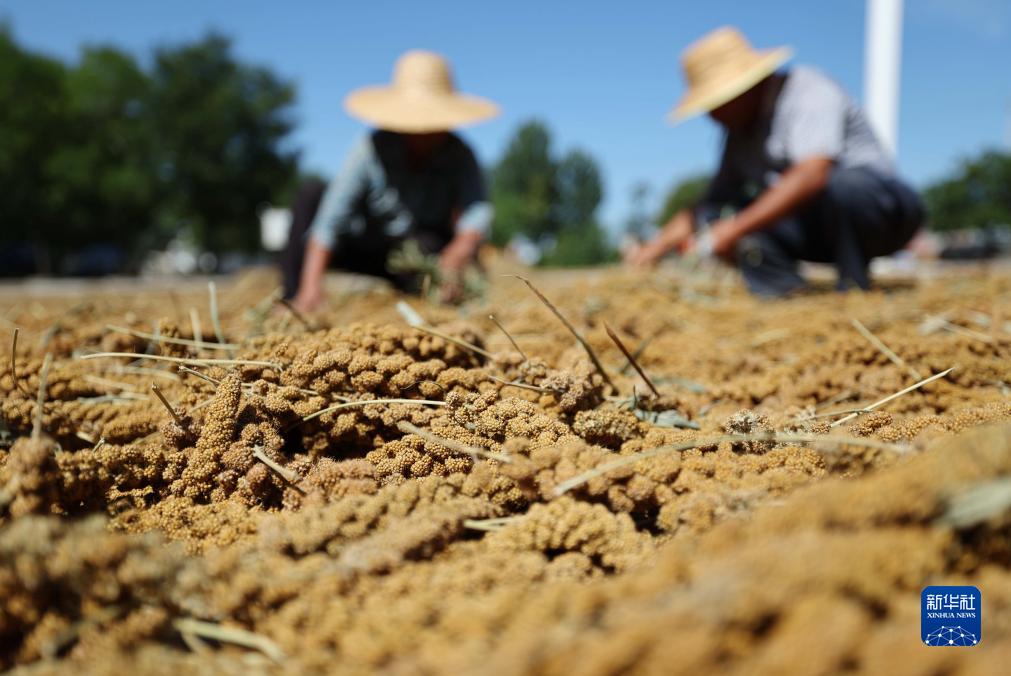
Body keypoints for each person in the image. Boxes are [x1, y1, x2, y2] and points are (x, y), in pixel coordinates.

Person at [627, 27, 924, 296]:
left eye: (715, 103)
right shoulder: (739, 137)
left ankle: (854, 288)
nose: (711, 116)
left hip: (884, 213)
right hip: (817, 229)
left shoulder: (808, 92)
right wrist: (654, 248)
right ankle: (788, 292)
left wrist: (734, 228)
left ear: (743, 87)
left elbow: (813, 174)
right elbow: (707, 207)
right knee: (738, 222)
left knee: (842, 185)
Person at [284, 50, 499, 311]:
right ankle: (295, 298)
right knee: (311, 194)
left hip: (417, 254)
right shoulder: (370, 148)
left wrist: (458, 252)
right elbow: (331, 218)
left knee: (426, 245)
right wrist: (311, 284)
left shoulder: (460, 154)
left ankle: (425, 297)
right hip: (367, 244)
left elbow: (477, 212)